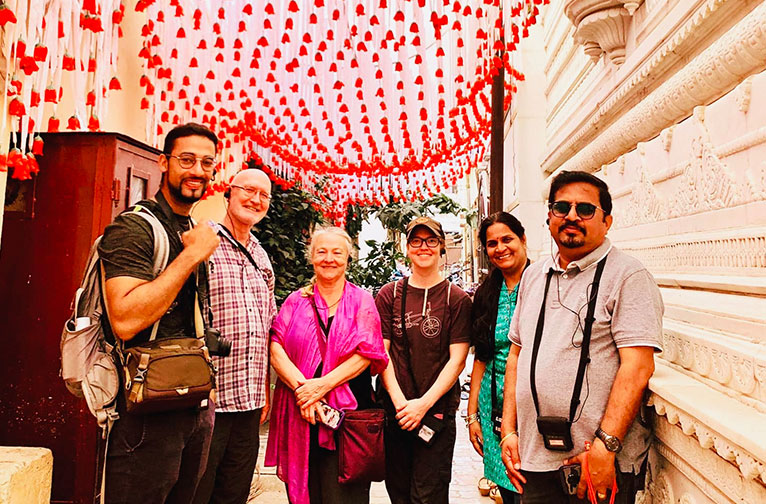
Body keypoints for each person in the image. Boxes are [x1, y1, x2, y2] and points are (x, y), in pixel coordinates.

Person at [500, 171, 663, 504]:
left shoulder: (628, 276)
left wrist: (606, 446)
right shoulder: (533, 276)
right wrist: (509, 431)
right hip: (534, 459)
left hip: (596, 464)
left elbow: (638, 366)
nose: (571, 216)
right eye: (562, 207)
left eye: (585, 209)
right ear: (549, 217)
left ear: (607, 222)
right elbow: (517, 354)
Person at [99, 122, 221, 503]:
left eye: (207, 163)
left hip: (192, 403)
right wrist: (190, 256)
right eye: (187, 160)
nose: (198, 171)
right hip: (146, 410)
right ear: (163, 163)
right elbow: (125, 319)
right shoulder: (134, 227)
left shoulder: (191, 227)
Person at [265, 227, 389, 504]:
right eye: (321, 252)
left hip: (347, 418)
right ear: (311, 257)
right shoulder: (296, 301)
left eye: (337, 252)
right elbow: (276, 347)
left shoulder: (361, 301)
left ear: (348, 258)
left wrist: (320, 387)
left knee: (344, 495)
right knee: (309, 491)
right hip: (301, 413)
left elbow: (368, 353)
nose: (329, 259)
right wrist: (305, 392)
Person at [193, 169, 277, 504]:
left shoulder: (261, 254)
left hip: (250, 402)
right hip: (207, 399)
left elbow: (267, 326)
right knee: (197, 491)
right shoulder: (204, 241)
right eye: (248, 190)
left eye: (263, 195)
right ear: (229, 193)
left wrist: (265, 390)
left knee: (234, 492)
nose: (255, 200)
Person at [376, 216, 472, 504]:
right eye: (416, 241)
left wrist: (422, 405)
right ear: (406, 248)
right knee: (399, 493)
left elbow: (457, 360)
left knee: (429, 496)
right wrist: (401, 404)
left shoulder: (456, 299)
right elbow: (382, 354)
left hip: (436, 414)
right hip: (396, 413)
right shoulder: (389, 295)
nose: (423, 247)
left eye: (431, 241)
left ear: (441, 246)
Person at [467, 212, 528, 504]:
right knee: (507, 489)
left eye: (507, 239)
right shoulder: (486, 294)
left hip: (532, 407)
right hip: (493, 406)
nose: (500, 248)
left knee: (532, 487)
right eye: (492, 244)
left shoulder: (543, 285)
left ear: (523, 239)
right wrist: (472, 416)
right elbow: (482, 356)